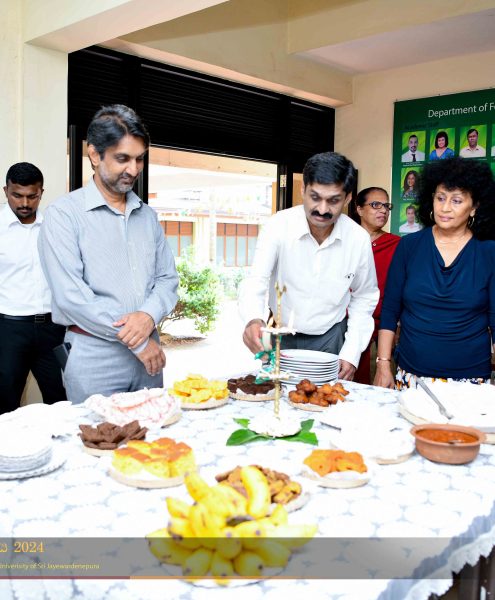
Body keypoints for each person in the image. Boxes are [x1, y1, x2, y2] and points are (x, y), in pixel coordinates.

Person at [39, 105, 179, 404]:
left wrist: (147, 316)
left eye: (139, 159)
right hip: (94, 356)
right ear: (94, 154)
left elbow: (168, 279)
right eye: (122, 158)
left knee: (153, 432)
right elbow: (71, 296)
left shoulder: (148, 216)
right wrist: (138, 342)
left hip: (150, 357)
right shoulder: (63, 215)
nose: (134, 169)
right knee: (98, 434)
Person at [239, 152, 379, 381]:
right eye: (315, 197)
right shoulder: (278, 225)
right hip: (280, 333)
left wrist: (351, 352)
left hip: (330, 336)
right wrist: (253, 318)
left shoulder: (358, 239)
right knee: (278, 397)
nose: (322, 209)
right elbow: (256, 279)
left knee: (326, 398)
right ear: (303, 190)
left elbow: (364, 296)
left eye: (333, 200)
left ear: (347, 199)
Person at [374, 157, 495, 390]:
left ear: (474, 207)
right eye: (440, 198)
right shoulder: (409, 246)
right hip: (411, 374)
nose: (445, 207)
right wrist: (383, 364)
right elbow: (390, 310)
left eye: (456, 200)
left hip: (471, 380)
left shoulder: (489, 252)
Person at [0, 163, 66, 414]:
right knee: (5, 403)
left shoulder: (55, 225)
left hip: (53, 328)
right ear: (6, 191)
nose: (25, 203)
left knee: (61, 400)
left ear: (41, 193)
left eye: (32, 196)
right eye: (17, 195)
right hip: (9, 329)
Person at [353, 188, 400, 384]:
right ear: (359, 209)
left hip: (383, 327)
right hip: (346, 325)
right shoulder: (346, 241)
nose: (383, 210)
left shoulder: (397, 245)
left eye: (386, 206)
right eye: (375, 205)